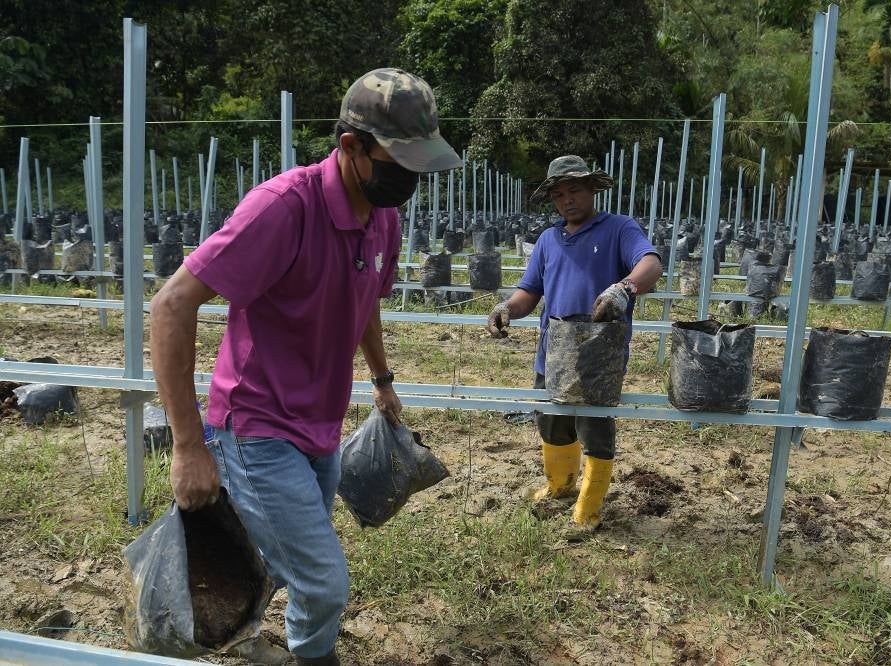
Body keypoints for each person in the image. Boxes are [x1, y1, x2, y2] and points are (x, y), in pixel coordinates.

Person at [150, 68, 462, 666]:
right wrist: (189, 446)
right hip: (256, 425)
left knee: (295, 558)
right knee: (323, 581)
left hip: (320, 424)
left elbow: (364, 296)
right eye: (400, 161)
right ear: (351, 146)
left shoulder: (382, 216)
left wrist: (382, 378)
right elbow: (171, 304)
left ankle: (265, 634)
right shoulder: (282, 208)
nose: (411, 179)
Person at [486, 154, 662, 530]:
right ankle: (560, 485)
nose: (568, 199)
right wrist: (507, 308)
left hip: (598, 357)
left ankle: (590, 504)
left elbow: (651, 263)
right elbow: (529, 292)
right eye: (560, 194)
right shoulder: (549, 240)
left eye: (575, 190)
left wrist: (625, 287)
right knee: (552, 424)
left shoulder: (618, 229)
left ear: (592, 190)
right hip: (553, 354)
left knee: (594, 428)